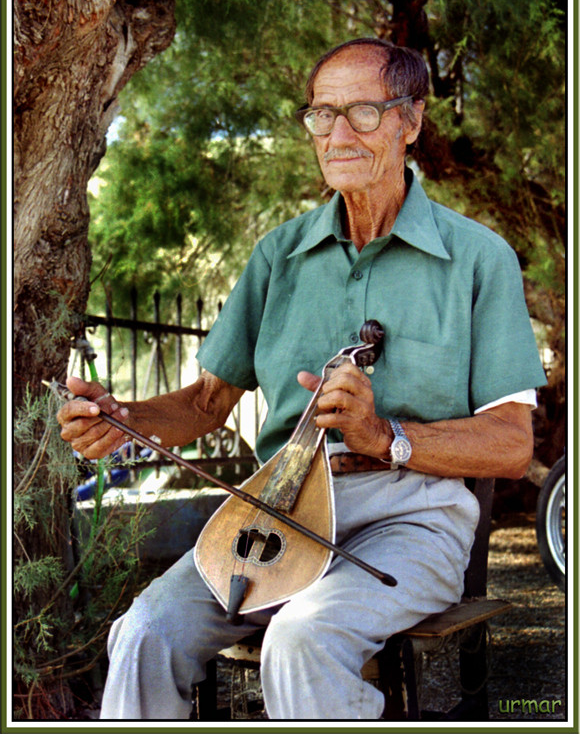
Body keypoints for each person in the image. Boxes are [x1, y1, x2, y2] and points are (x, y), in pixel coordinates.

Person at [58, 38, 547, 720]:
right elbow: (206, 401)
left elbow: (510, 444)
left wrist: (384, 435)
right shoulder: (279, 255)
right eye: (322, 114)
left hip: (414, 516)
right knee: (145, 634)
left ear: (411, 121)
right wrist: (123, 419)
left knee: (301, 637)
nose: (337, 134)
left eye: (363, 113)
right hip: (276, 513)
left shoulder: (477, 258)